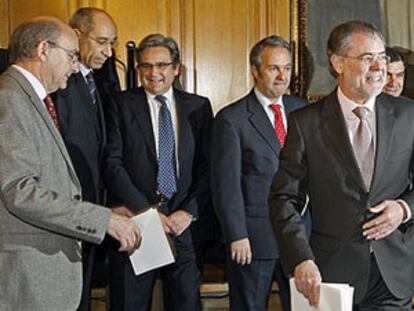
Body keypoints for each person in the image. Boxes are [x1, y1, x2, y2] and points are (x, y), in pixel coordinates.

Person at [269, 20, 414, 310]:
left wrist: (403, 209)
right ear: (338, 63)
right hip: (330, 275)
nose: (378, 67)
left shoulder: (408, 114)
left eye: (381, 57)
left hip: (392, 273)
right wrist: (301, 258)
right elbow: (284, 198)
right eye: (366, 58)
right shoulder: (305, 123)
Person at [0, 16, 141, 311]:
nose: (75, 66)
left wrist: (102, 211)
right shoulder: (9, 98)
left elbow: (50, 179)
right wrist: (103, 221)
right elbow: (19, 190)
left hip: (46, 271)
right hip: (29, 275)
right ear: (43, 50)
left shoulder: (32, 99)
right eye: (71, 56)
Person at [104, 33, 213, 311]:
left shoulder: (199, 107)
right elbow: (112, 163)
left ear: (176, 68)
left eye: (162, 65)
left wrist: (188, 211)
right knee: (130, 304)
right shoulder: (120, 103)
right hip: (137, 225)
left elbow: (208, 167)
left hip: (183, 227)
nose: (154, 73)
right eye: (146, 66)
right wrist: (148, 213)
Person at [211, 35, 308, 311]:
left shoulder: (302, 110)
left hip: (300, 239)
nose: (282, 76)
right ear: (255, 71)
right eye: (273, 68)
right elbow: (225, 185)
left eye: (287, 68)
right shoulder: (232, 119)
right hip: (254, 240)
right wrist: (236, 235)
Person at [52, 7, 124, 310]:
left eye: (113, 44)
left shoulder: (99, 81)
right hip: (65, 214)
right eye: (102, 42)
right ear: (77, 35)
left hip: (92, 211)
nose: (108, 52)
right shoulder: (57, 85)